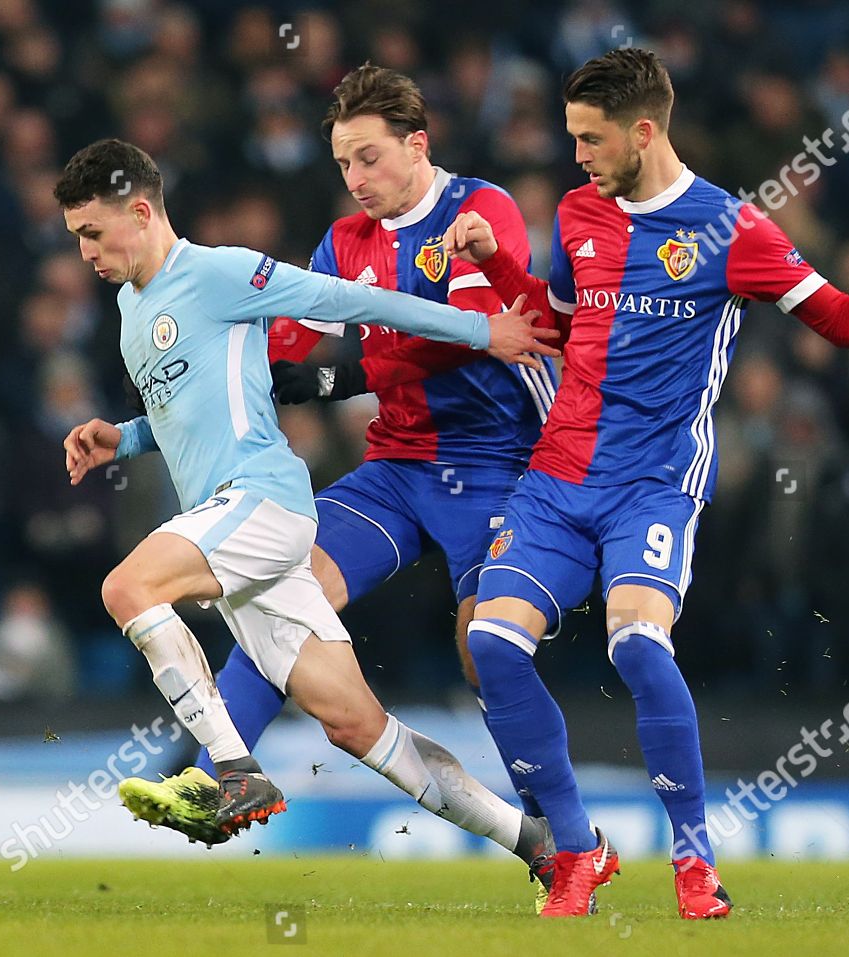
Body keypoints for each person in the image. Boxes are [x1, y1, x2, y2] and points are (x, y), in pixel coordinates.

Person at [443, 48, 849, 917]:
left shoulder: (730, 229)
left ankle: (694, 859)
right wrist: (501, 266)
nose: (578, 156)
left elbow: (838, 317)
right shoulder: (579, 212)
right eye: (571, 139)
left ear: (643, 131)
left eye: (591, 140)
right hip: (557, 478)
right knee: (490, 642)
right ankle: (576, 851)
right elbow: (556, 320)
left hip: (654, 486)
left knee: (636, 642)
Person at [53, 138, 563, 885]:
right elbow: (195, 416)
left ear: (139, 211)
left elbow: (355, 302)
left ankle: (230, 769)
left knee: (126, 588)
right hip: (231, 531)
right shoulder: (133, 310)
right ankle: (535, 842)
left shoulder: (220, 271)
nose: (85, 253)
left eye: (92, 233)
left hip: (263, 502)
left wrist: (485, 330)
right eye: (75, 239)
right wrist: (122, 439)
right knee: (359, 726)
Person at [196, 64, 563, 903]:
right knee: (277, 582)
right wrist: (210, 368)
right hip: (397, 468)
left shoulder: (481, 212)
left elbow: (477, 336)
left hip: (501, 464)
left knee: (487, 652)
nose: (356, 180)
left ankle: (557, 839)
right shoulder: (343, 242)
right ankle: (223, 775)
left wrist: (335, 381)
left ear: (417, 145)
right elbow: (288, 334)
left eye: (368, 159)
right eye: (343, 165)